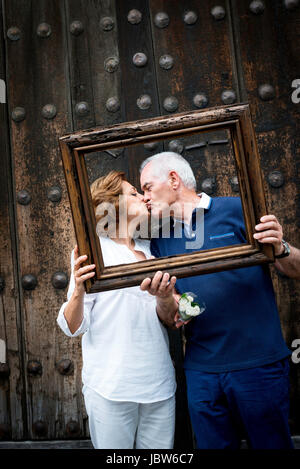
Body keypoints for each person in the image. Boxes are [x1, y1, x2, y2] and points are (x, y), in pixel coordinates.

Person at [140, 151, 299, 449]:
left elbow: (295, 269)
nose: (144, 197)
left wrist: (281, 246)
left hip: (258, 364)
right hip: (201, 370)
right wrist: (164, 299)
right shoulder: (159, 239)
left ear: (174, 179)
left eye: (148, 187)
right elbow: (172, 317)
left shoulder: (239, 210)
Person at [57, 171, 177, 449]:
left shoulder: (151, 252)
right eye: (134, 193)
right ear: (113, 205)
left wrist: (166, 298)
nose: (143, 197)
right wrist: (77, 289)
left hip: (158, 384)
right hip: (111, 387)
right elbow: (73, 326)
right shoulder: (96, 252)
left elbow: (166, 318)